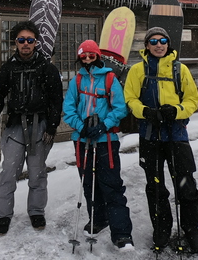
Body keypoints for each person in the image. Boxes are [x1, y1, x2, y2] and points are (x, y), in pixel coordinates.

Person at [123, 27, 198, 254]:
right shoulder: (138, 70)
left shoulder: (181, 69)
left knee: (186, 184)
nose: (159, 45)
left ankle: (193, 228)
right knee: (156, 186)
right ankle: (161, 227)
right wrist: (144, 111)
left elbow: (192, 99)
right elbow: (129, 97)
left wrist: (177, 111)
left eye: (163, 41)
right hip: (150, 136)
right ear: (147, 45)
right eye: (153, 41)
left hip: (176, 135)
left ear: (168, 44)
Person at [0, 20, 63, 236]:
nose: (26, 44)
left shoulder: (47, 68)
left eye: (30, 40)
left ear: (36, 43)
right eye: (21, 40)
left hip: (40, 125)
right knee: (9, 172)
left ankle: (37, 211)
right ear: (16, 43)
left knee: (37, 172)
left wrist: (51, 126)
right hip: (15, 126)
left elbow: (56, 100)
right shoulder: (8, 68)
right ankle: (3, 215)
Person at [62, 40, 134, 250]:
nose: (87, 59)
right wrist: (80, 127)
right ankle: (98, 218)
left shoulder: (110, 78)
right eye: (83, 56)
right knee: (88, 183)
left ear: (98, 57)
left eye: (91, 56)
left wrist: (104, 126)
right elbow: (69, 109)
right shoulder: (77, 81)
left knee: (111, 185)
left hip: (106, 141)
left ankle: (121, 233)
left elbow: (120, 109)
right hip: (82, 140)